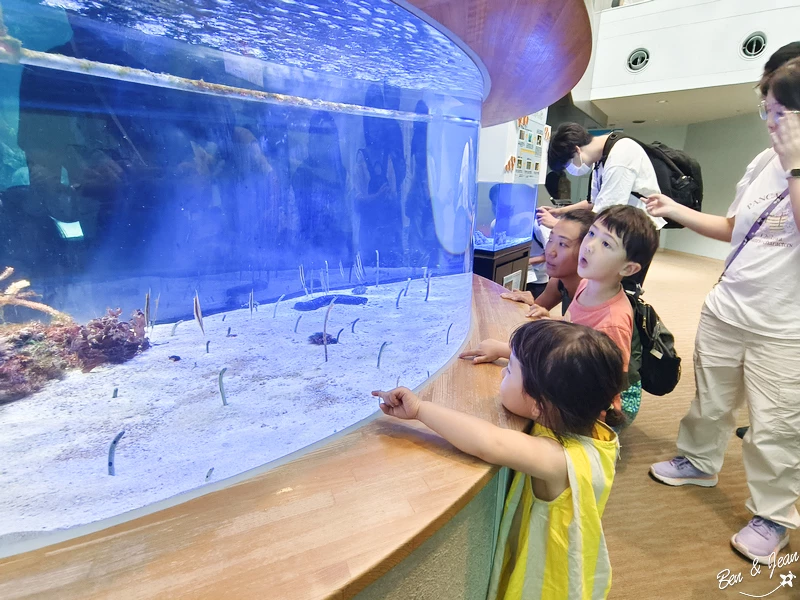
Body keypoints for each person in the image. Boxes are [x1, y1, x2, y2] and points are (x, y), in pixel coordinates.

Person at [647, 56, 800, 565]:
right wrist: (675, 211)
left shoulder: (791, 159)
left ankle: (774, 516)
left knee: (776, 428)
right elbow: (737, 227)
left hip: (785, 328)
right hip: (727, 305)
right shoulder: (763, 160)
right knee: (710, 401)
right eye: (767, 111)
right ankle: (699, 460)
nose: (771, 122)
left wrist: (797, 161)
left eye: (779, 112)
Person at [374, 320, 625, 599]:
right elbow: (567, 371)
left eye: (510, 371)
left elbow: (488, 443)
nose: (504, 371)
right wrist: (505, 351)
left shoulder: (556, 460)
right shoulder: (594, 429)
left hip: (549, 584)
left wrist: (420, 409)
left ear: (537, 404)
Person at [463, 206, 659, 428]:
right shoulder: (585, 286)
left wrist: (507, 352)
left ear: (629, 267)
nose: (590, 246)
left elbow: (605, 384)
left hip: (598, 409)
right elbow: (570, 334)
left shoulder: (612, 323)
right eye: (592, 234)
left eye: (606, 244)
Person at [537, 122, 666, 236]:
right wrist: (560, 211)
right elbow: (592, 202)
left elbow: (607, 213)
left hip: (638, 229)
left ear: (577, 150)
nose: (570, 170)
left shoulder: (620, 155)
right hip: (620, 225)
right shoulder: (600, 160)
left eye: (567, 165)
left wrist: (559, 225)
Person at [501, 209, 595, 319]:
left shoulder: (595, 293)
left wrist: (550, 319)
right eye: (550, 240)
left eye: (563, 244)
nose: (550, 252)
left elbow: (582, 329)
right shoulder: (558, 282)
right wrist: (530, 304)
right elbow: (536, 313)